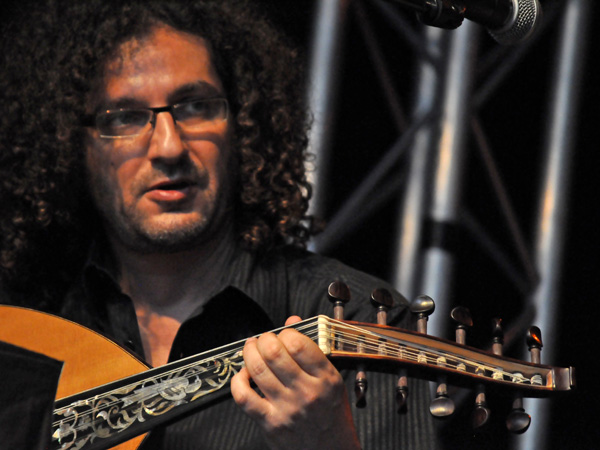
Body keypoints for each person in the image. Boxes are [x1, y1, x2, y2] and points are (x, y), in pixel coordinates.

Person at [0, 1, 437, 448]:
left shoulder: (360, 323)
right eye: (126, 117)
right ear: (69, 144)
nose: (169, 147)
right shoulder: (26, 326)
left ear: (243, 125)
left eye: (195, 107)